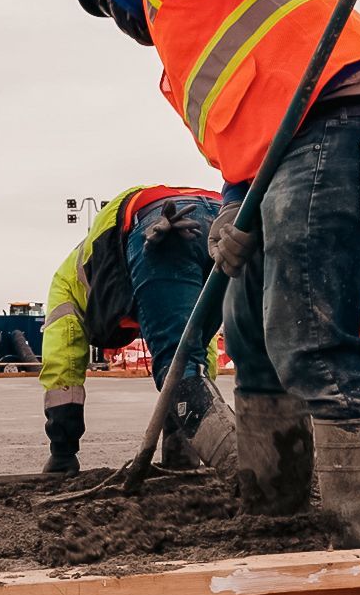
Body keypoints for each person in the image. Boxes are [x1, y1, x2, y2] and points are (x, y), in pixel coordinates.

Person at [73, 0, 360, 547]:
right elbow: (244, 141)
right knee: (250, 337)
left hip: (345, 122)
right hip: (292, 154)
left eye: (106, 9)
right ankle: (273, 512)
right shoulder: (183, 54)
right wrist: (233, 213)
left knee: (308, 338)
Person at [40, 185, 233, 476]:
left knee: (176, 368)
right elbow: (195, 346)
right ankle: (187, 452)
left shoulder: (66, 287)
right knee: (253, 352)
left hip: (162, 225)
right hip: (223, 215)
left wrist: (62, 453)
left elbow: (62, 368)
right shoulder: (106, 274)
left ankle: (243, 471)